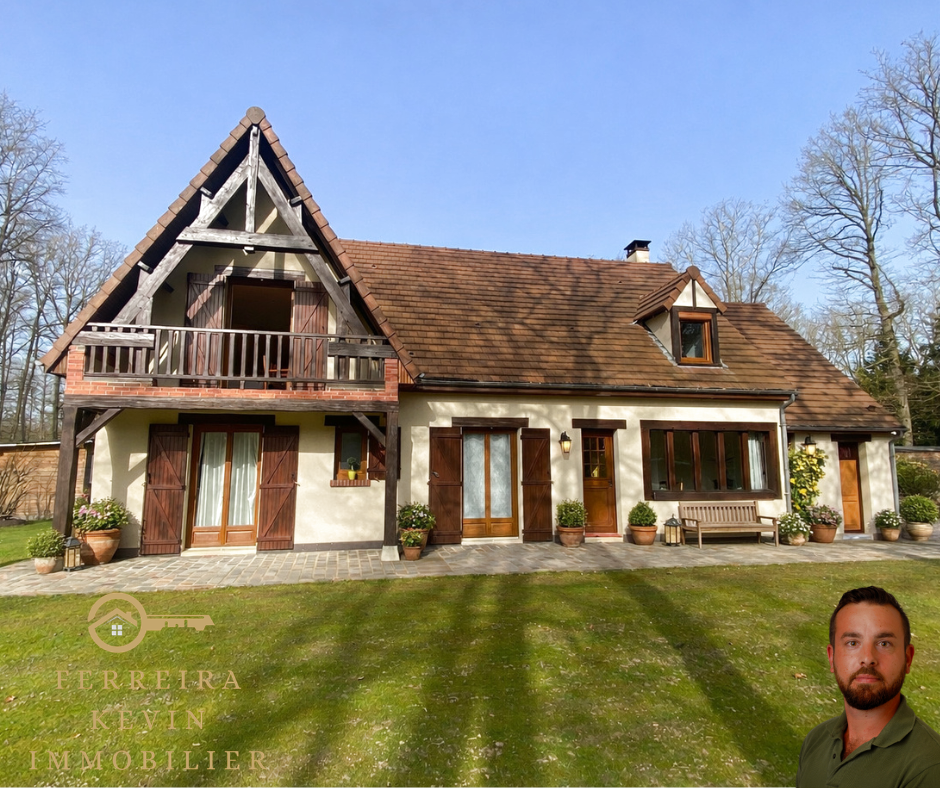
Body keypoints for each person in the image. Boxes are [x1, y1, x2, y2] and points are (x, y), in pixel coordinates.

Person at [796, 586, 940, 787]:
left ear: (907, 659)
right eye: (852, 643)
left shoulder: (930, 766)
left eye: (884, 643)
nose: (867, 658)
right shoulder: (815, 740)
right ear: (831, 657)